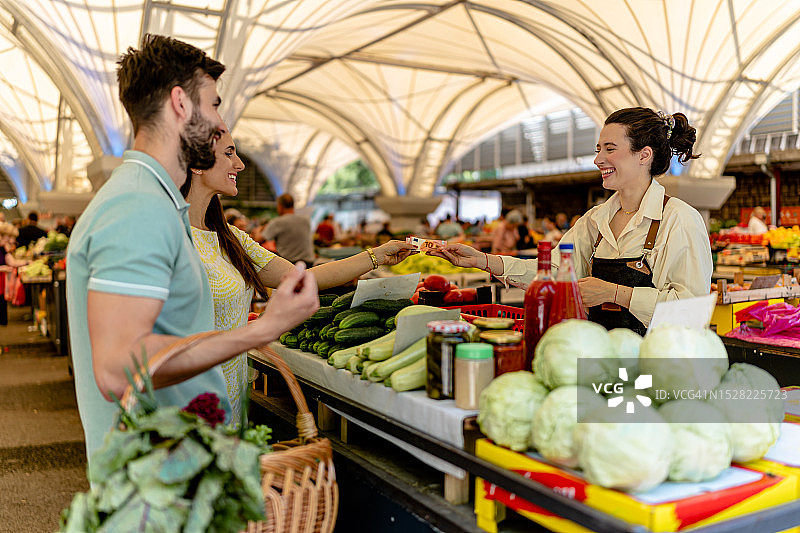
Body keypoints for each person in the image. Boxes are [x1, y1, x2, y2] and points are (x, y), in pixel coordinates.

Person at [66, 34, 320, 464]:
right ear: (181, 103)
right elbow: (115, 369)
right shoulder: (139, 206)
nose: (219, 122)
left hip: (176, 461)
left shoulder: (154, 201)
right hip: (158, 474)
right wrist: (261, 330)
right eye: (214, 104)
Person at [181, 129, 416, 421]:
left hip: (231, 399)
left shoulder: (230, 238)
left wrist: (376, 255)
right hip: (185, 405)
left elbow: (304, 278)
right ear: (197, 163)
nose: (239, 164)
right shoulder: (170, 236)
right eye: (229, 154)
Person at [429, 107, 712, 335]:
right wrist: (483, 260)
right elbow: (553, 272)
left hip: (655, 365)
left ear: (644, 155)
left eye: (610, 149)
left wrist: (616, 293)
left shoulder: (679, 219)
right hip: (599, 358)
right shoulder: (595, 220)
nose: (598, 159)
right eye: (598, 149)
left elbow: (690, 311)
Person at [262, 193, 316, 265]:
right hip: (309, 263)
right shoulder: (306, 220)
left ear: (280, 206)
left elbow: (260, 239)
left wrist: (258, 230)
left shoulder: (278, 222)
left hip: (289, 264)